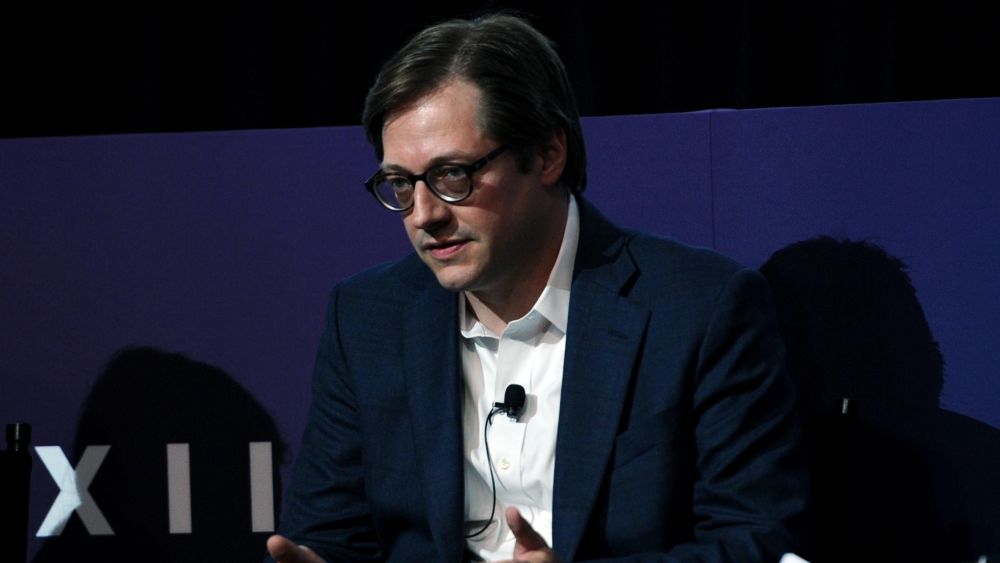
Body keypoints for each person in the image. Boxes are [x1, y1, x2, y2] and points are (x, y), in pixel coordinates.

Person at [267, 13, 808, 563]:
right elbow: (327, 534)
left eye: (453, 175)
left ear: (548, 155)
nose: (423, 215)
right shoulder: (367, 318)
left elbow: (760, 542)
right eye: (401, 184)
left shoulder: (700, 308)